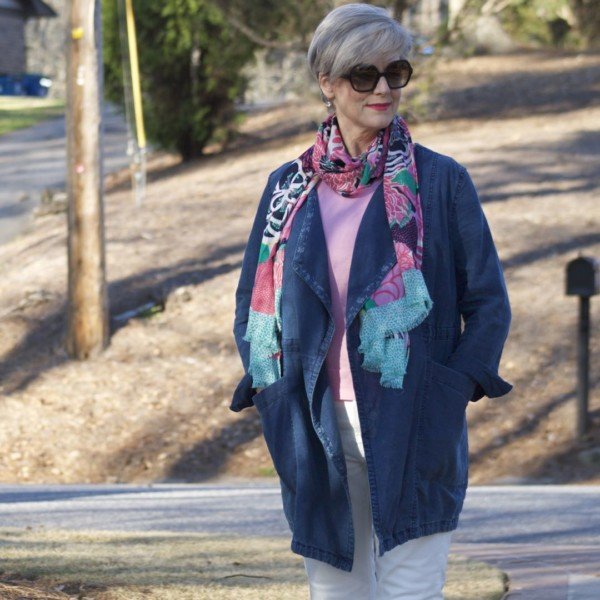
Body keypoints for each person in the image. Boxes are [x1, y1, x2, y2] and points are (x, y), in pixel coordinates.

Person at [230, 3, 513, 599]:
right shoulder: (289, 187)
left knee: (411, 589)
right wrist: (271, 388)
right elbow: (252, 307)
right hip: (314, 424)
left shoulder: (439, 182)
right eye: (364, 75)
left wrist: (451, 389)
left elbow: (487, 302)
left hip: (414, 419)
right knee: (336, 593)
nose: (382, 88)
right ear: (328, 83)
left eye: (396, 72)